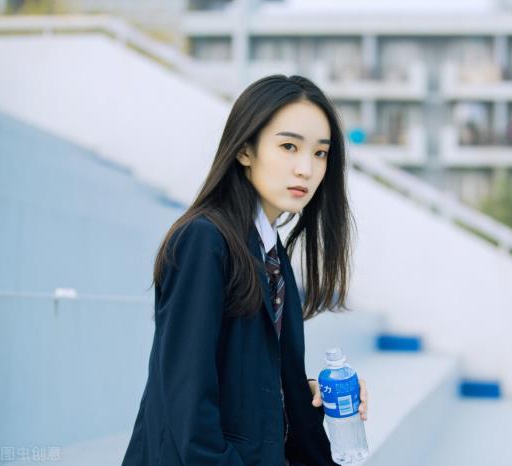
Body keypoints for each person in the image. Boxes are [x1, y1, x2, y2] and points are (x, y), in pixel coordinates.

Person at [121, 75, 368, 466]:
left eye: (320, 153)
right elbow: (188, 406)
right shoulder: (204, 241)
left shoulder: (270, 252)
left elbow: (247, 380)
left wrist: (315, 395)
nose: (306, 168)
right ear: (244, 150)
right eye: (288, 146)